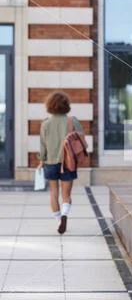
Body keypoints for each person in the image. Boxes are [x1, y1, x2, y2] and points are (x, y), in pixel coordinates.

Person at [37, 92, 83, 234]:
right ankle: (64, 215)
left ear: (50, 105)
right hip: (68, 162)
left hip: (50, 162)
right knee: (66, 194)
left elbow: (43, 146)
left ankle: (58, 221)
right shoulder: (72, 121)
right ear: (66, 105)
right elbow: (81, 141)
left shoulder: (45, 123)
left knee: (53, 192)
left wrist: (41, 161)